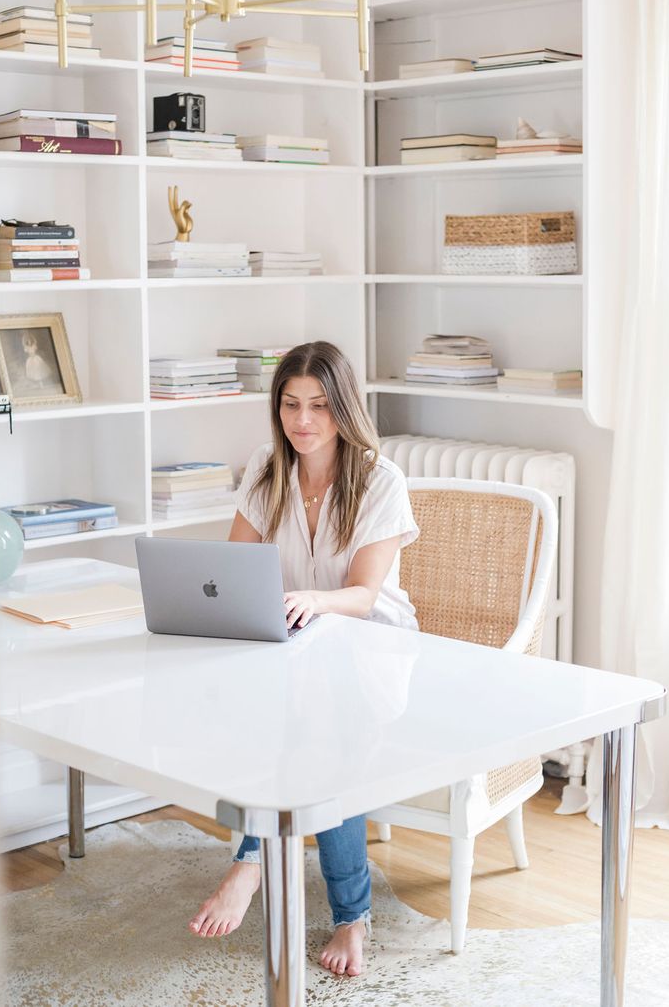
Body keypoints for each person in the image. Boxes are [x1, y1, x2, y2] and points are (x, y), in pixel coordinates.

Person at [188, 340, 419, 977]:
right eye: (291, 404)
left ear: (342, 408)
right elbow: (237, 569)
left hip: (371, 646)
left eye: (319, 405)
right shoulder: (267, 468)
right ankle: (351, 916)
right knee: (297, 720)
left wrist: (313, 600)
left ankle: (250, 865)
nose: (303, 420)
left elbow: (366, 594)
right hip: (291, 644)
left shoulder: (379, 479)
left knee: (319, 730)